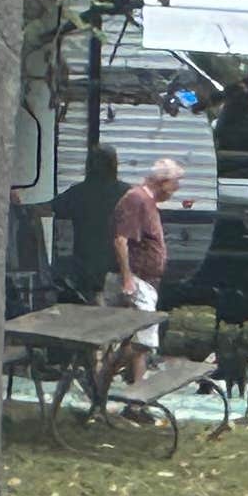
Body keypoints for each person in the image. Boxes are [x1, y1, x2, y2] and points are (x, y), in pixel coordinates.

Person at [110, 155, 179, 382]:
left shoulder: (149, 202)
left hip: (148, 281)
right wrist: (128, 279)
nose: (176, 189)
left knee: (141, 343)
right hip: (137, 280)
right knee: (144, 343)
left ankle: (135, 401)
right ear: (162, 181)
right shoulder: (136, 199)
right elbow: (121, 239)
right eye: (174, 183)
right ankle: (103, 374)